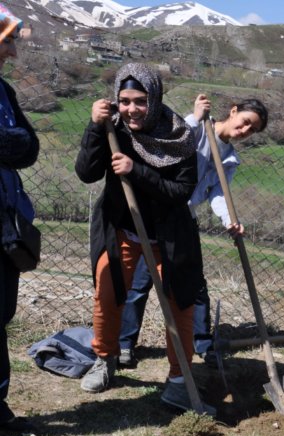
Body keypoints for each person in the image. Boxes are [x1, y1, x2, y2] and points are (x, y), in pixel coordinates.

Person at [75, 63, 209, 413]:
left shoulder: (179, 135)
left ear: (155, 98)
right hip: (122, 228)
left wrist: (138, 171)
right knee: (107, 293)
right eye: (124, 100)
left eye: (140, 101)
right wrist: (94, 127)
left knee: (179, 303)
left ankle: (180, 378)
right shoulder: (112, 129)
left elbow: (181, 191)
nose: (131, 109)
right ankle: (105, 360)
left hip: (170, 236)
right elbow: (87, 173)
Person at [117, 94, 268, 368]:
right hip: (160, 212)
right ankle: (125, 345)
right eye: (246, 122)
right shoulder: (198, 127)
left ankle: (203, 343)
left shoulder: (230, 159)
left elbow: (219, 193)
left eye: (252, 130)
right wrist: (195, 117)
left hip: (185, 218)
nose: (245, 131)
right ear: (233, 111)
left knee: (196, 286)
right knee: (141, 283)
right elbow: (168, 142)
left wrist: (229, 220)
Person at [0, 3, 39, 435]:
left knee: (1, 311)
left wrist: (10, 141)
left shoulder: (4, 93)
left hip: (7, 222)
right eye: (8, 39)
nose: (12, 51)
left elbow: (29, 148)